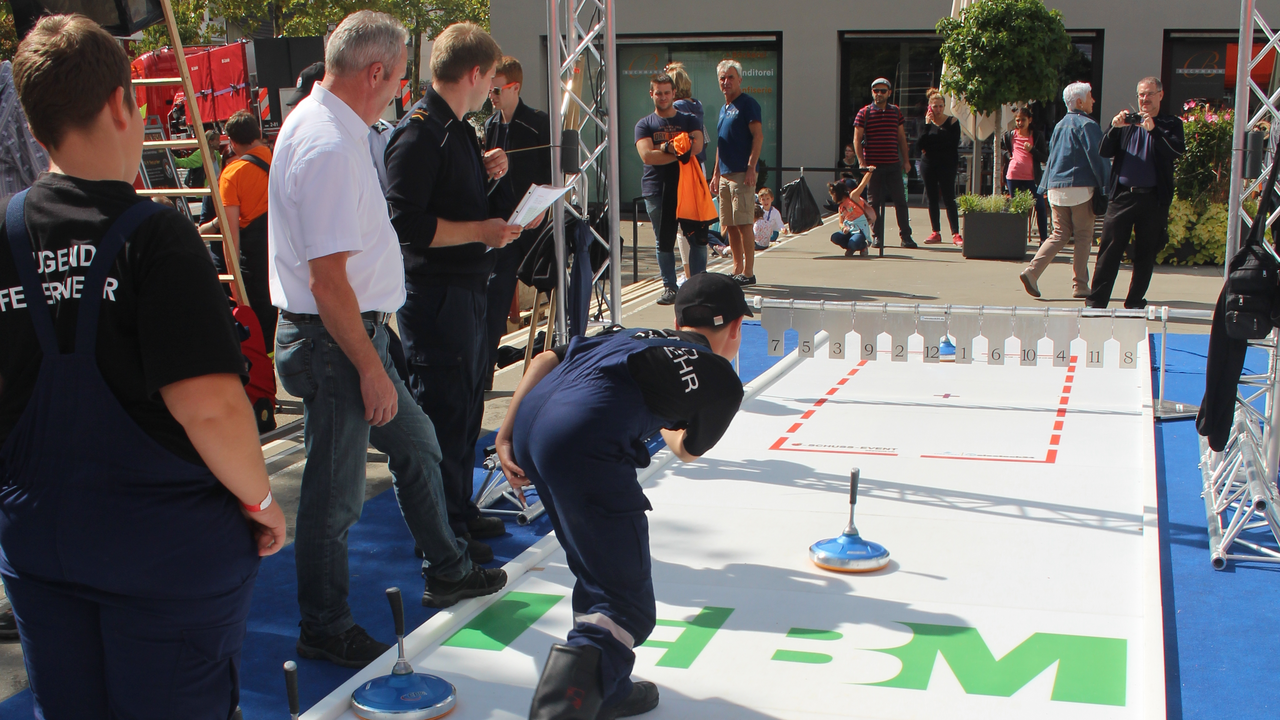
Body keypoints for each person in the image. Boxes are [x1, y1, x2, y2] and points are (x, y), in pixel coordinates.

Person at [0, 15, 286, 715]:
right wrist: (260, 502)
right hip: (164, 550)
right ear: (124, 104)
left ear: (36, 129)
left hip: (41, 540)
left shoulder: (6, 233)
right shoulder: (155, 236)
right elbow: (210, 405)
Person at [270, 11, 507, 669]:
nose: (404, 89)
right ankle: (324, 623)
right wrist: (371, 368)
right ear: (375, 73)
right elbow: (328, 281)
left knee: (419, 444)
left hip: (351, 334)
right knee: (334, 498)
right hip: (338, 340)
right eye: (401, 77)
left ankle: (448, 566)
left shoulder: (335, 131)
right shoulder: (326, 144)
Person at [496, 272, 749, 720]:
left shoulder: (632, 332)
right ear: (734, 329)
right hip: (583, 444)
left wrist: (505, 433)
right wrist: (675, 414)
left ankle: (607, 692)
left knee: (595, 570)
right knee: (627, 605)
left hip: (535, 426)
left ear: (675, 318)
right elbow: (687, 449)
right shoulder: (720, 378)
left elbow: (545, 360)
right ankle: (561, 712)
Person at [385, 22, 536, 562]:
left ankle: (459, 508)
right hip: (437, 295)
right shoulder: (421, 131)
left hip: (468, 288)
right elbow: (407, 224)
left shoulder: (455, 130)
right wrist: (480, 231)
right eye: (491, 78)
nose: (492, 89)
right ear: (474, 74)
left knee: (469, 403)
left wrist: (487, 173)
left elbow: (451, 199)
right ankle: (443, 527)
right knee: (444, 410)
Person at [1087, 77, 1185, 309]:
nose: (1145, 99)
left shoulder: (1170, 123)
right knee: (1109, 251)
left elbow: (1176, 152)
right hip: (1123, 196)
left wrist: (1154, 131)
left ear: (1160, 95)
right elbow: (1103, 150)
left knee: (1146, 253)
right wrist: (1114, 127)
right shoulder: (1127, 124)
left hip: (1153, 199)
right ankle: (1096, 302)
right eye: (1141, 94)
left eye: (1150, 94)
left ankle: (1134, 302)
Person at [483, 55, 552, 387]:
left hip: (535, 221)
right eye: (489, 90)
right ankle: (484, 371)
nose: (491, 97)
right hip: (505, 222)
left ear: (515, 88)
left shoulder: (537, 122)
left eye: (496, 90)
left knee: (553, 285)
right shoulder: (491, 125)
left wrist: (544, 207)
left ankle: (563, 355)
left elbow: (555, 173)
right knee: (495, 293)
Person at [1021, 82, 1109, 300]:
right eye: (1090, 96)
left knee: (1059, 234)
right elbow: (1097, 157)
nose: (1093, 100)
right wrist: (1107, 185)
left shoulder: (1060, 125)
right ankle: (1080, 284)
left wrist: (1043, 187)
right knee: (1083, 236)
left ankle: (1032, 271)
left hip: (1055, 187)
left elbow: (1052, 158)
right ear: (1080, 101)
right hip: (1080, 188)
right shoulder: (1088, 125)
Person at [200, 110, 276, 350]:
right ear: (258, 134)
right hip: (281, 253)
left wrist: (234, 284)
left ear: (231, 142)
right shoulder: (278, 158)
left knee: (257, 330)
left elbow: (230, 233)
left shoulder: (231, 174)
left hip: (253, 262)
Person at [635, 71, 705, 305]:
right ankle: (670, 287)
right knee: (662, 240)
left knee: (697, 238)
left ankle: (698, 287)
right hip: (656, 189)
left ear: (674, 93)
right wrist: (678, 150)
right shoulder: (644, 124)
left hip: (688, 188)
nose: (663, 97)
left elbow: (696, 147)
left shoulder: (689, 119)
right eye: (659, 93)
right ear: (651, 94)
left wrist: (664, 148)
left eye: (667, 93)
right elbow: (647, 156)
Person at [710, 60, 763, 285]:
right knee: (729, 225)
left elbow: (758, 137)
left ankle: (748, 272)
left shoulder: (748, 104)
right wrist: (715, 173)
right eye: (722, 78)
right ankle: (737, 268)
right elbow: (721, 145)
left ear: (739, 79)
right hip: (724, 174)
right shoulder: (724, 109)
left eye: (730, 77)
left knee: (743, 223)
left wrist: (751, 167)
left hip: (743, 173)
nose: (726, 82)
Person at [854, 78, 916, 249]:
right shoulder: (864, 112)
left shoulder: (895, 112)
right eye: (876, 91)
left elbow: (902, 138)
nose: (879, 94)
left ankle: (906, 236)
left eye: (882, 91)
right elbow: (857, 139)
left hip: (893, 164)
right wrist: (862, 163)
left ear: (889, 93)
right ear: (872, 92)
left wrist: (906, 161)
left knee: (900, 202)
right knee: (874, 203)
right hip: (873, 168)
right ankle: (877, 236)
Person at [666, 61, 706, 283]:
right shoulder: (696, 106)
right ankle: (699, 274)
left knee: (682, 228)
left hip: (683, 167)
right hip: (699, 165)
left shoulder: (678, 109)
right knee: (697, 222)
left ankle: (689, 274)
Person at [916, 88, 962, 246]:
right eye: (935, 106)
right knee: (932, 197)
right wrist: (928, 126)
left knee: (949, 198)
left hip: (947, 164)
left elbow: (952, 143)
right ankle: (936, 231)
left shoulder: (953, 122)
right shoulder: (925, 123)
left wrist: (933, 142)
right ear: (929, 107)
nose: (938, 109)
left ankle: (956, 233)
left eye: (941, 106)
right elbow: (920, 144)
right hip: (929, 164)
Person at [1001, 106, 1050, 245]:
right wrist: (1009, 156)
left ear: (1030, 120)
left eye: (1023, 120)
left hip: (1032, 177)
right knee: (1016, 207)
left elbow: (1044, 157)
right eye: (1017, 120)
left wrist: (1032, 150)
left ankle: (1043, 239)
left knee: (1040, 205)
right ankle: (1016, 238)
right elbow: (1003, 149)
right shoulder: (1010, 135)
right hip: (1014, 175)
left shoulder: (1036, 135)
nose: (1020, 123)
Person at [828, 172, 875, 257]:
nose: (832, 197)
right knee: (835, 237)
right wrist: (843, 228)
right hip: (849, 230)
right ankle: (849, 247)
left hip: (859, 230)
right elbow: (840, 223)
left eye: (833, 194)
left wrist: (869, 172)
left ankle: (863, 246)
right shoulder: (841, 207)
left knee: (853, 243)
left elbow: (862, 184)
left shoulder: (853, 197)